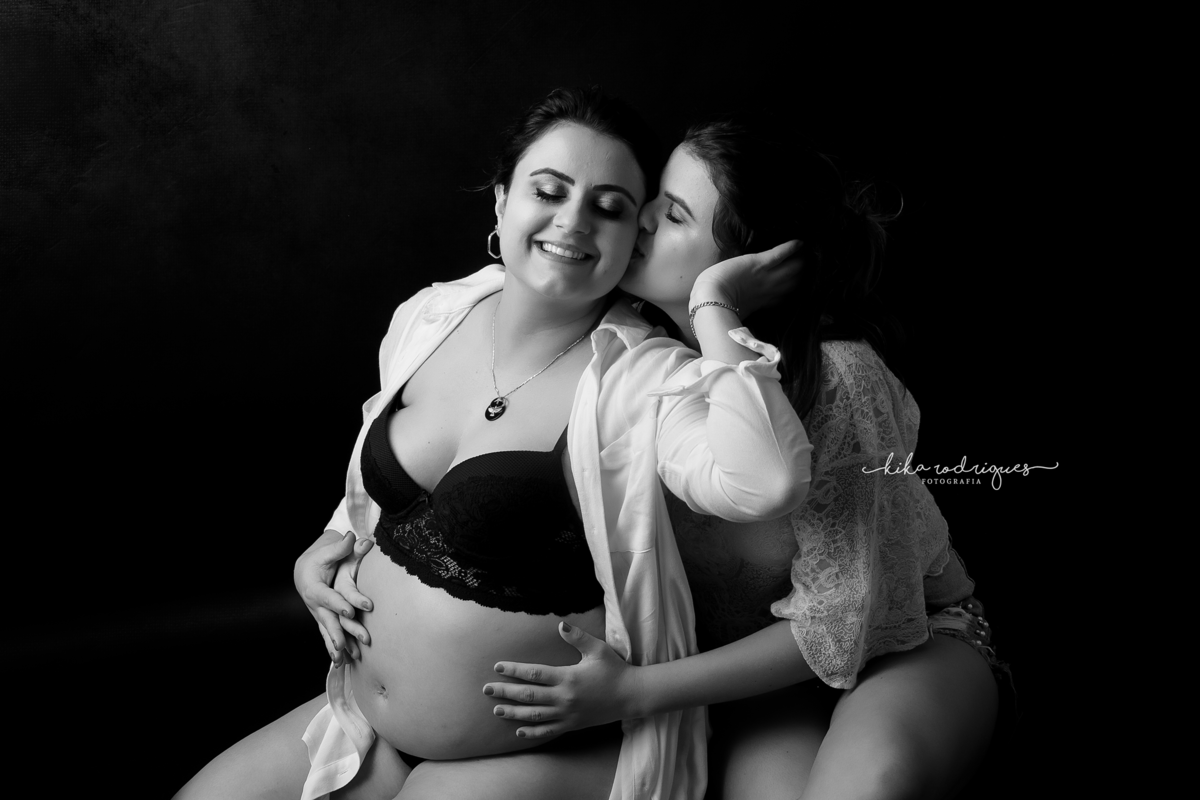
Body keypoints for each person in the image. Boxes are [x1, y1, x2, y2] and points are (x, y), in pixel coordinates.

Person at [175, 92, 812, 800]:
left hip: (549, 748)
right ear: (503, 200)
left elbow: (766, 484)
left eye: (608, 207)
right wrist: (327, 545)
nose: (573, 221)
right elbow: (381, 480)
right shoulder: (432, 315)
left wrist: (714, 302)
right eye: (549, 191)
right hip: (357, 718)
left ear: (634, 234)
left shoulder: (646, 378)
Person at [482, 120, 1008, 800]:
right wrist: (354, 545)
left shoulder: (840, 377)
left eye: (674, 215)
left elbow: (842, 622)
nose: (640, 220)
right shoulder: (624, 349)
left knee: (867, 785)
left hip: (905, 642)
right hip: (750, 675)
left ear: (752, 265)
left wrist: (713, 304)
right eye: (652, 200)